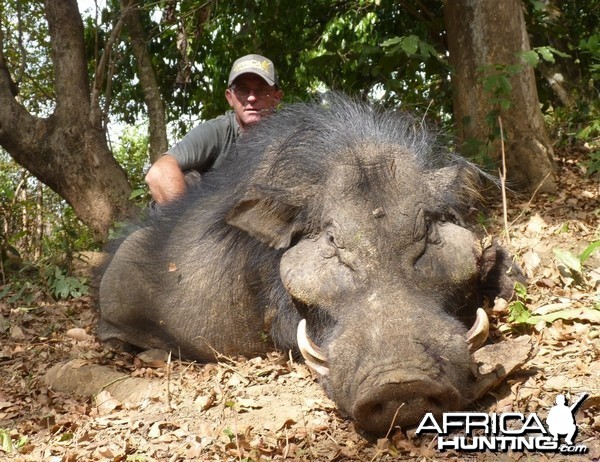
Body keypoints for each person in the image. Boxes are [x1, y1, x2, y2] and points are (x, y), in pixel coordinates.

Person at [145, 54, 284, 204]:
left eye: (262, 90)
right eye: (243, 90)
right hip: (206, 218)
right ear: (230, 97)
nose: (251, 98)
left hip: (262, 215)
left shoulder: (290, 137)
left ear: (277, 97)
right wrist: (189, 224)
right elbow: (159, 172)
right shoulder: (216, 131)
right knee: (189, 179)